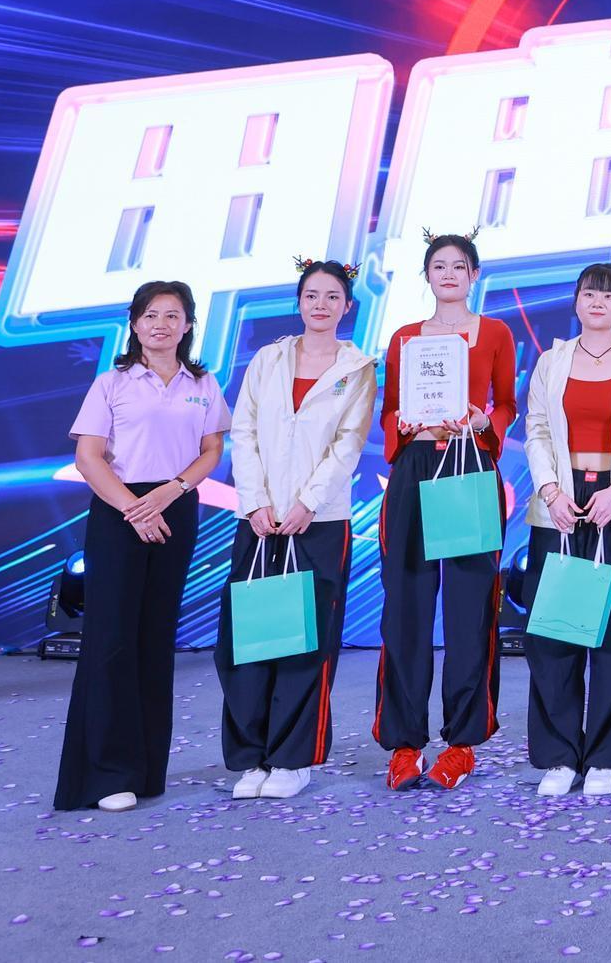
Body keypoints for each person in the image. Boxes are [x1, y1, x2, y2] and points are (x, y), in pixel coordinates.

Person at [54, 279, 229, 813]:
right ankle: (106, 775)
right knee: (111, 639)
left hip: (175, 507)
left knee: (155, 637)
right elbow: (88, 457)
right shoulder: (112, 383)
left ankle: (147, 769)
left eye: (172, 315)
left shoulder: (203, 383)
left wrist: (171, 492)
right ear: (134, 324)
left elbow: (211, 449)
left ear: (188, 325)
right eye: (150, 315)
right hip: (119, 509)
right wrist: (135, 509)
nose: (161, 325)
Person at [217, 258, 377, 801]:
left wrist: (308, 502)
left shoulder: (358, 368)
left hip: (319, 522)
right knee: (249, 636)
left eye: (333, 297)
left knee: (306, 643)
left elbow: (349, 444)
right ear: (299, 301)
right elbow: (243, 432)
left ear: (347, 306)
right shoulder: (269, 359)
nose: (321, 305)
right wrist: (255, 503)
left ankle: (293, 758)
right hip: (260, 522)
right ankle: (251, 757)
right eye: (312, 295)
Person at [372, 232, 518, 791]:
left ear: (474, 275)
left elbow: (506, 403)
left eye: (460, 265)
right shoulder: (405, 337)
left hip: (467, 465)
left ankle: (462, 743)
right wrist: (403, 425)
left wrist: (483, 422)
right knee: (404, 608)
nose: (449, 273)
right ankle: (404, 743)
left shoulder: (496, 333)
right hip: (414, 468)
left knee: (469, 608)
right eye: (439, 265)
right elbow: (389, 409)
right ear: (427, 275)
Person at [523, 262, 611, 796]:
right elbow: (537, 428)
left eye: (610, 296)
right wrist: (550, 491)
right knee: (554, 632)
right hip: (561, 504)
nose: (598, 303)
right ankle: (560, 756)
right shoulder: (552, 361)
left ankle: (606, 756)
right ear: (576, 301)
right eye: (589, 294)